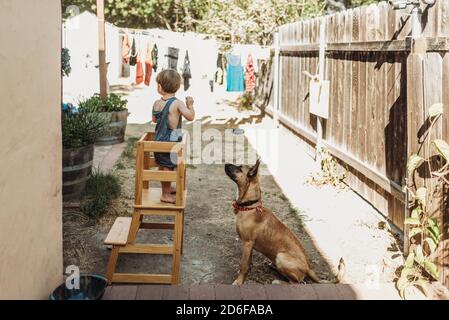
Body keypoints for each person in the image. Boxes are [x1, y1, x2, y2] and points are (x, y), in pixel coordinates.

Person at [152, 69, 195, 204]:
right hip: (170, 143)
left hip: (158, 141)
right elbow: (190, 116)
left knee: (163, 165)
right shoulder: (177, 103)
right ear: (177, 87)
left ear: (160, 87)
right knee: (168, 167)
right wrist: (190, 105)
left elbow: (154, 119)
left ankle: (167, 189)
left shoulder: (156, 103)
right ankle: (165, 194)